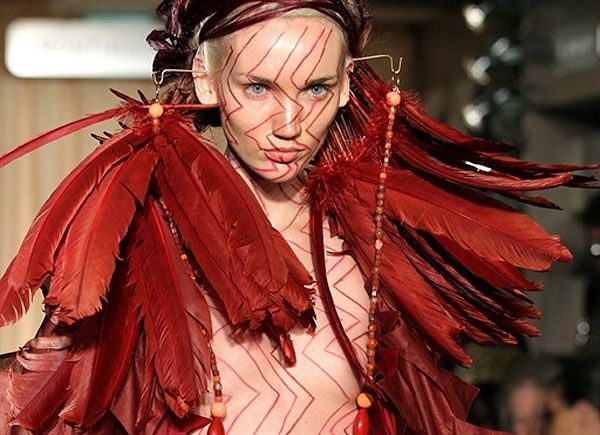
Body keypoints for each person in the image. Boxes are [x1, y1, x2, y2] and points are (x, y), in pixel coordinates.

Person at [0, 1, 597, 434]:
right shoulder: (144, 230)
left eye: (315, 88)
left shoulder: (383, 231)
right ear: (205, 79)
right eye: (258, 87)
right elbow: (48, 392)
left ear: (346, 85)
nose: (290, 125)